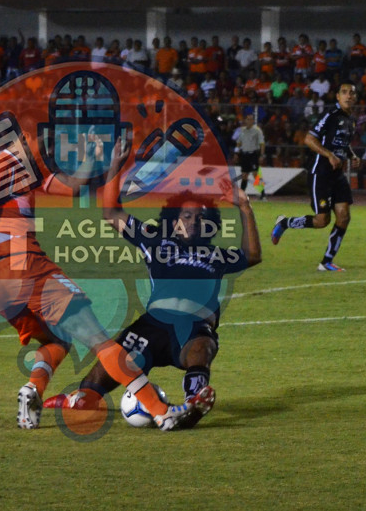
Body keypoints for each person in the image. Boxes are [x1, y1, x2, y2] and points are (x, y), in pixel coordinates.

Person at [0, 140, 202, 431]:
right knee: (101, 342)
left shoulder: (26, 170)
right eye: (39, 142)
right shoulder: (3, 163)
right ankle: (161, 412)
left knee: (57, 340)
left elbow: (73, 188)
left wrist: (95, 158)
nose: (46, 150)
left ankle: (32, 389)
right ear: (20, 141)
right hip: (25, 268)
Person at [43, 142, 261, 429]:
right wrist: (115, 168)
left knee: (202, 347)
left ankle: (194, 402)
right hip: (153, 325)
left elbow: (252, 255)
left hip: (195, 326)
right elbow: (111, 214)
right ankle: (81, 398)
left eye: (200, 218)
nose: (193, 222)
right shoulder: (155, 240)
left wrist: (245, 208)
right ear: (173, 219)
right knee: (104, 375)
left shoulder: (216, 255)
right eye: (186, 216)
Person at [271, 81, 361, 271]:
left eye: (352, 93)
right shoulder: (330, 115)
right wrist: (329, 155)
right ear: (338, 96)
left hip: (337, 175)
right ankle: (285, 223)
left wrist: (352, 155)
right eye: (344, 92)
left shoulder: (351, 120)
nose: (349, 96)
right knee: (322, 221)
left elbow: (343, 143)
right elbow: (309, 139)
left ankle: (326, 262)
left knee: (344, 216)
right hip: (321, 173)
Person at [236, 114, 266, 200]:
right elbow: (238, 143)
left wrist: (262, 155)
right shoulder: (242, 130)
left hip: (253, 154)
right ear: (245, 120)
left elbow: (262, 143)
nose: (249, 121)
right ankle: (241, 195)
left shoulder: (257, 130)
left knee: (255, 174)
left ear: (253, 121)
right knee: (244, 175)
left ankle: (263, 194)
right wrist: (236, 153)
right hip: (245, 154)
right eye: (247, 119)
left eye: (251, 119)